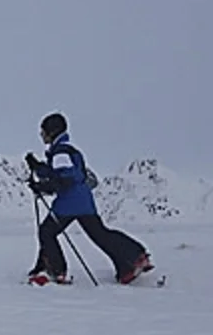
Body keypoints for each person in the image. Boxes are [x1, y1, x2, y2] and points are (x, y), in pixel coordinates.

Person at [24, 112, 153, 285]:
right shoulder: (67, 150)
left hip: (69, 203)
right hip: (84, 201)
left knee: (47, 232)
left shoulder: (60, 152)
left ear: (52, 132)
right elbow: (64, 173)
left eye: (43, 131)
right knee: (100, 235)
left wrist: (42, 187)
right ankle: (132, 260)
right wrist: (38, 167)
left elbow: (65, 178)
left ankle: (55, 271)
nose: (41, 135)